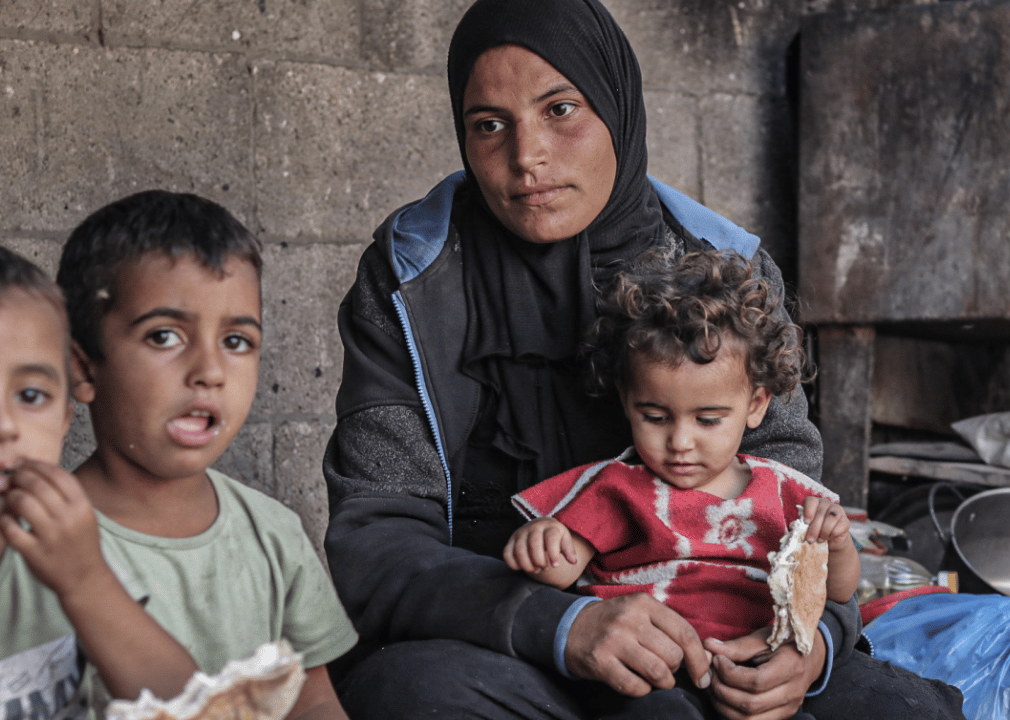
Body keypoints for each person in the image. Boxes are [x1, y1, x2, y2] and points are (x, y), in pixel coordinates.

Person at [323, 0, 966, 718]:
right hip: (497, 643)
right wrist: (559, 623)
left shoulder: (726, 270)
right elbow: (374, 543)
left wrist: (806, 644)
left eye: (560, 109)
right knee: (410, 695)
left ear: (617, 108)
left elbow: (797, 514)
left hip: (721, 633)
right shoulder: (412, 277)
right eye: (489, 124)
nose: (527, 155)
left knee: (902, 709)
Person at [504, 251, 862, 706]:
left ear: (755, 406)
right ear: (626, 399)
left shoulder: (785, 491)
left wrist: (837, 545)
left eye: (708, 420)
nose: (680, 442)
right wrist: (540, 544)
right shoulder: (617, 488)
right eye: (655, 417)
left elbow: (840, 591)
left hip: (752, 668)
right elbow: (559, 569)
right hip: (650, 674)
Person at [55, 191, 359, 720]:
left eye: (237, 341)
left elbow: (312, 701)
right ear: (82, 369)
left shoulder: (274, 536)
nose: (210, 370)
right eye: (165, 335)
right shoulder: (46, 542)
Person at [0, 246, 197, 719]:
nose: (6, 424)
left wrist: (86, 583)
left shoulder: (75, 553)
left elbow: (188, 706)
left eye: (30, 395)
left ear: (66, 418)